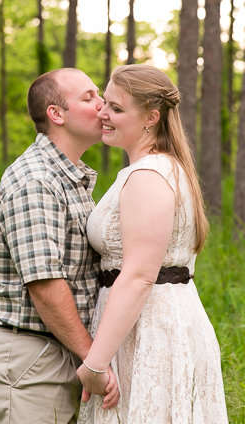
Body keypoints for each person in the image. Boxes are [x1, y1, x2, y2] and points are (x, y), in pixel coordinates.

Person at [0, 68, 119, 424]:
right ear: (56, 114)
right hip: (23, 358)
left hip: (51, 350)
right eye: (89, 97)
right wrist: (92, 359)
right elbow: (45, 285)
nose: (102, 104)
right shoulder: (37, 181)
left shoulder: (68, 177)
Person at [77, 64, 229, 424]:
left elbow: (140, 275)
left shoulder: (149, 175)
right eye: (105, 103)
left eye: (116, 108)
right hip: (148, 321)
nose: (103, 112)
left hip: (150, 330)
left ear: (151, 118)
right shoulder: (161, 168)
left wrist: (95, 364)